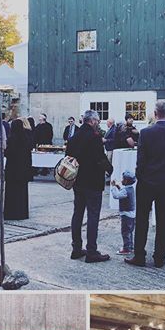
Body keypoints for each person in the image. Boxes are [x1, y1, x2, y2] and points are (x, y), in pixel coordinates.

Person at [125, 100, 165, 268]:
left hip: (147, 182)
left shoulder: (146, 133)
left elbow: (141, 160)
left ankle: (139, 255)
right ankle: (159, 257)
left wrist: (140, 177)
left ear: (155, 113)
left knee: (142, 220)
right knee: (163, 220)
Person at [66, 109, 112, 263]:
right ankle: (92, 251)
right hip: (93, 181)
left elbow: (69, 157)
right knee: (93, 215)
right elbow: (100, 158)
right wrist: (110, 168)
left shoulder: (74, 137)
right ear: (92, 121)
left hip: (77, 181)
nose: (98, 124)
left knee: (77, 214)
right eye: (97, 121)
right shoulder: (94, 137)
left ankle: (76, 248)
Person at [4, 118, 33, 220]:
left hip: (12, 169)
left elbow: (7, 153)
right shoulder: (26, 138)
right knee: (22, 192)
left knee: (11, 192)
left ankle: (11, 213)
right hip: (23, 168)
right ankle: (22, 213)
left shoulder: (11, 139)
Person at [111, 170, 136, 256]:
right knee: (130, 231)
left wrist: (113, 187)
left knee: (125, 232)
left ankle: (126, 248)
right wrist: (118, 186)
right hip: (132, 214)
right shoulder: (130, 189)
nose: (121, 180)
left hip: (126, 214)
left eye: (123, 179)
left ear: (126, 181)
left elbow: (116, 196)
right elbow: (123, 192)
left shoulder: (126, 190)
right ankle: (131, 247)